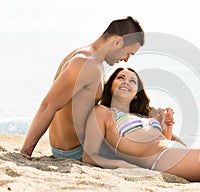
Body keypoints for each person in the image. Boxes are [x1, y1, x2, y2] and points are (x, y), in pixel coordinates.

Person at [20, 16, 144, 162]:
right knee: (148, 141)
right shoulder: (85, 62)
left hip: (78, 146)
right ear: (117, 42)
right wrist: (24, 153)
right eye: (128, 53)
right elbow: (48, 105)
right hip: (76, 150)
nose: (126, 60)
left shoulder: (90, 59)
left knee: (144, 122)